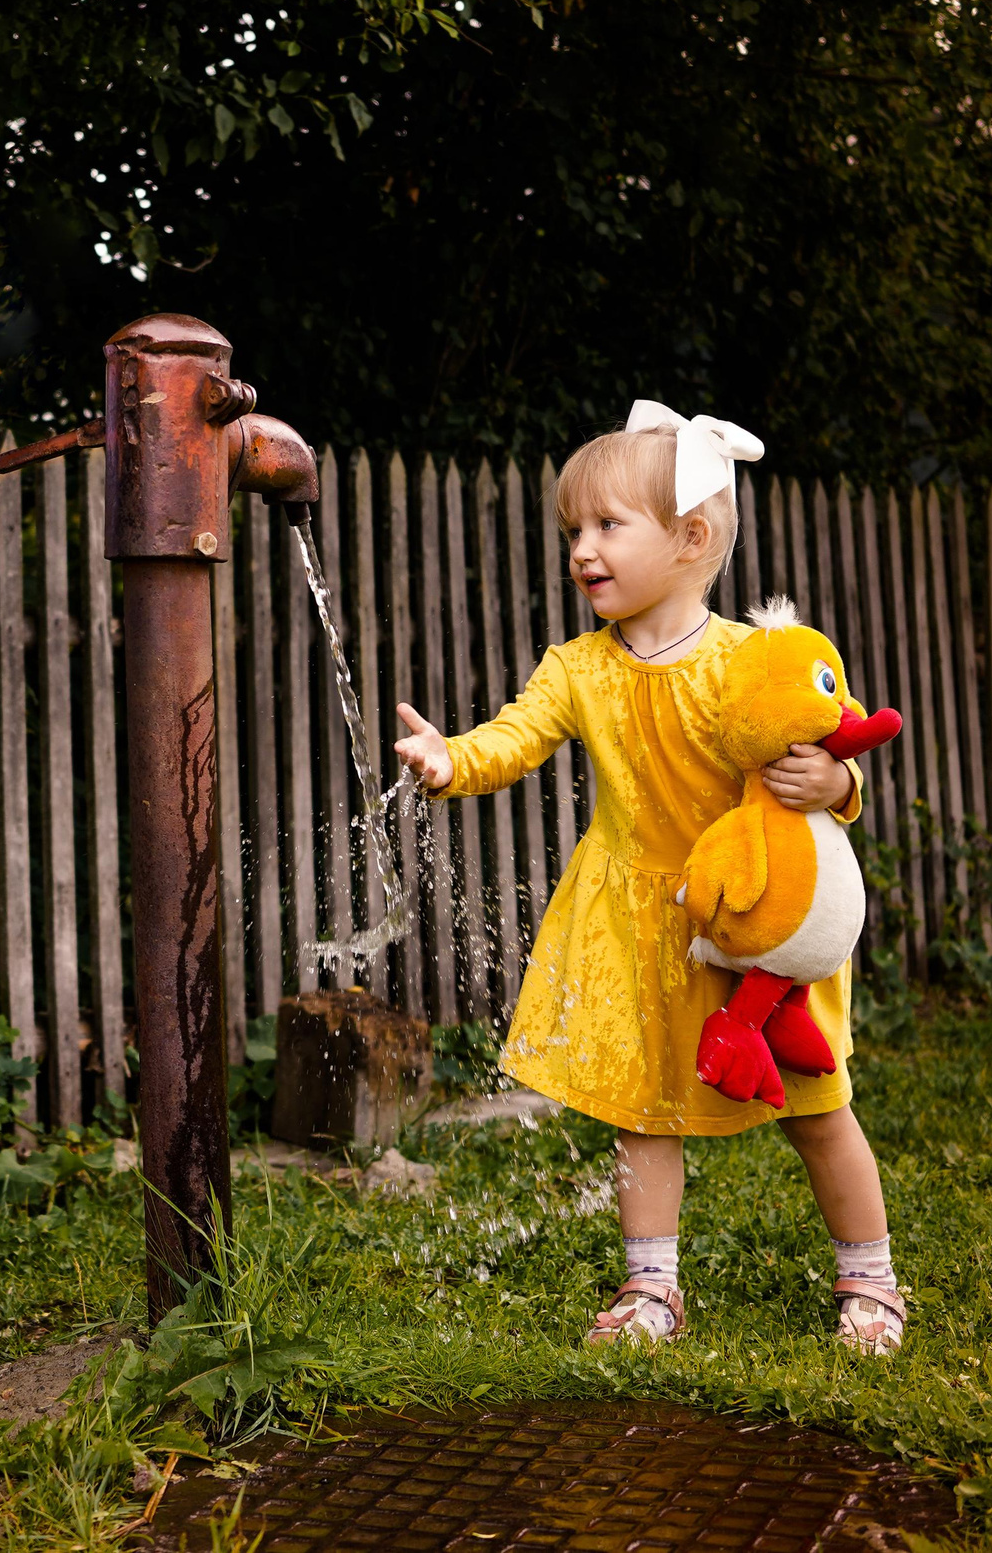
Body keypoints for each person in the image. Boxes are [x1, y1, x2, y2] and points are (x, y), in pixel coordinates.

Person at [389, 405, 908, 1356]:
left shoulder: (750, 661)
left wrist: (839, 785)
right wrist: (451, 758)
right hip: (637, 924)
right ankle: (651, 1286)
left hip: (755, 919)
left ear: (691, 539)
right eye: (573, 530)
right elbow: (515, 736)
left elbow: (837, 739)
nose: (582, 549)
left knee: (817, 1108)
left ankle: (871, 1280)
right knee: (643, 1110)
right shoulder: (578, 669)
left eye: (606, 526)